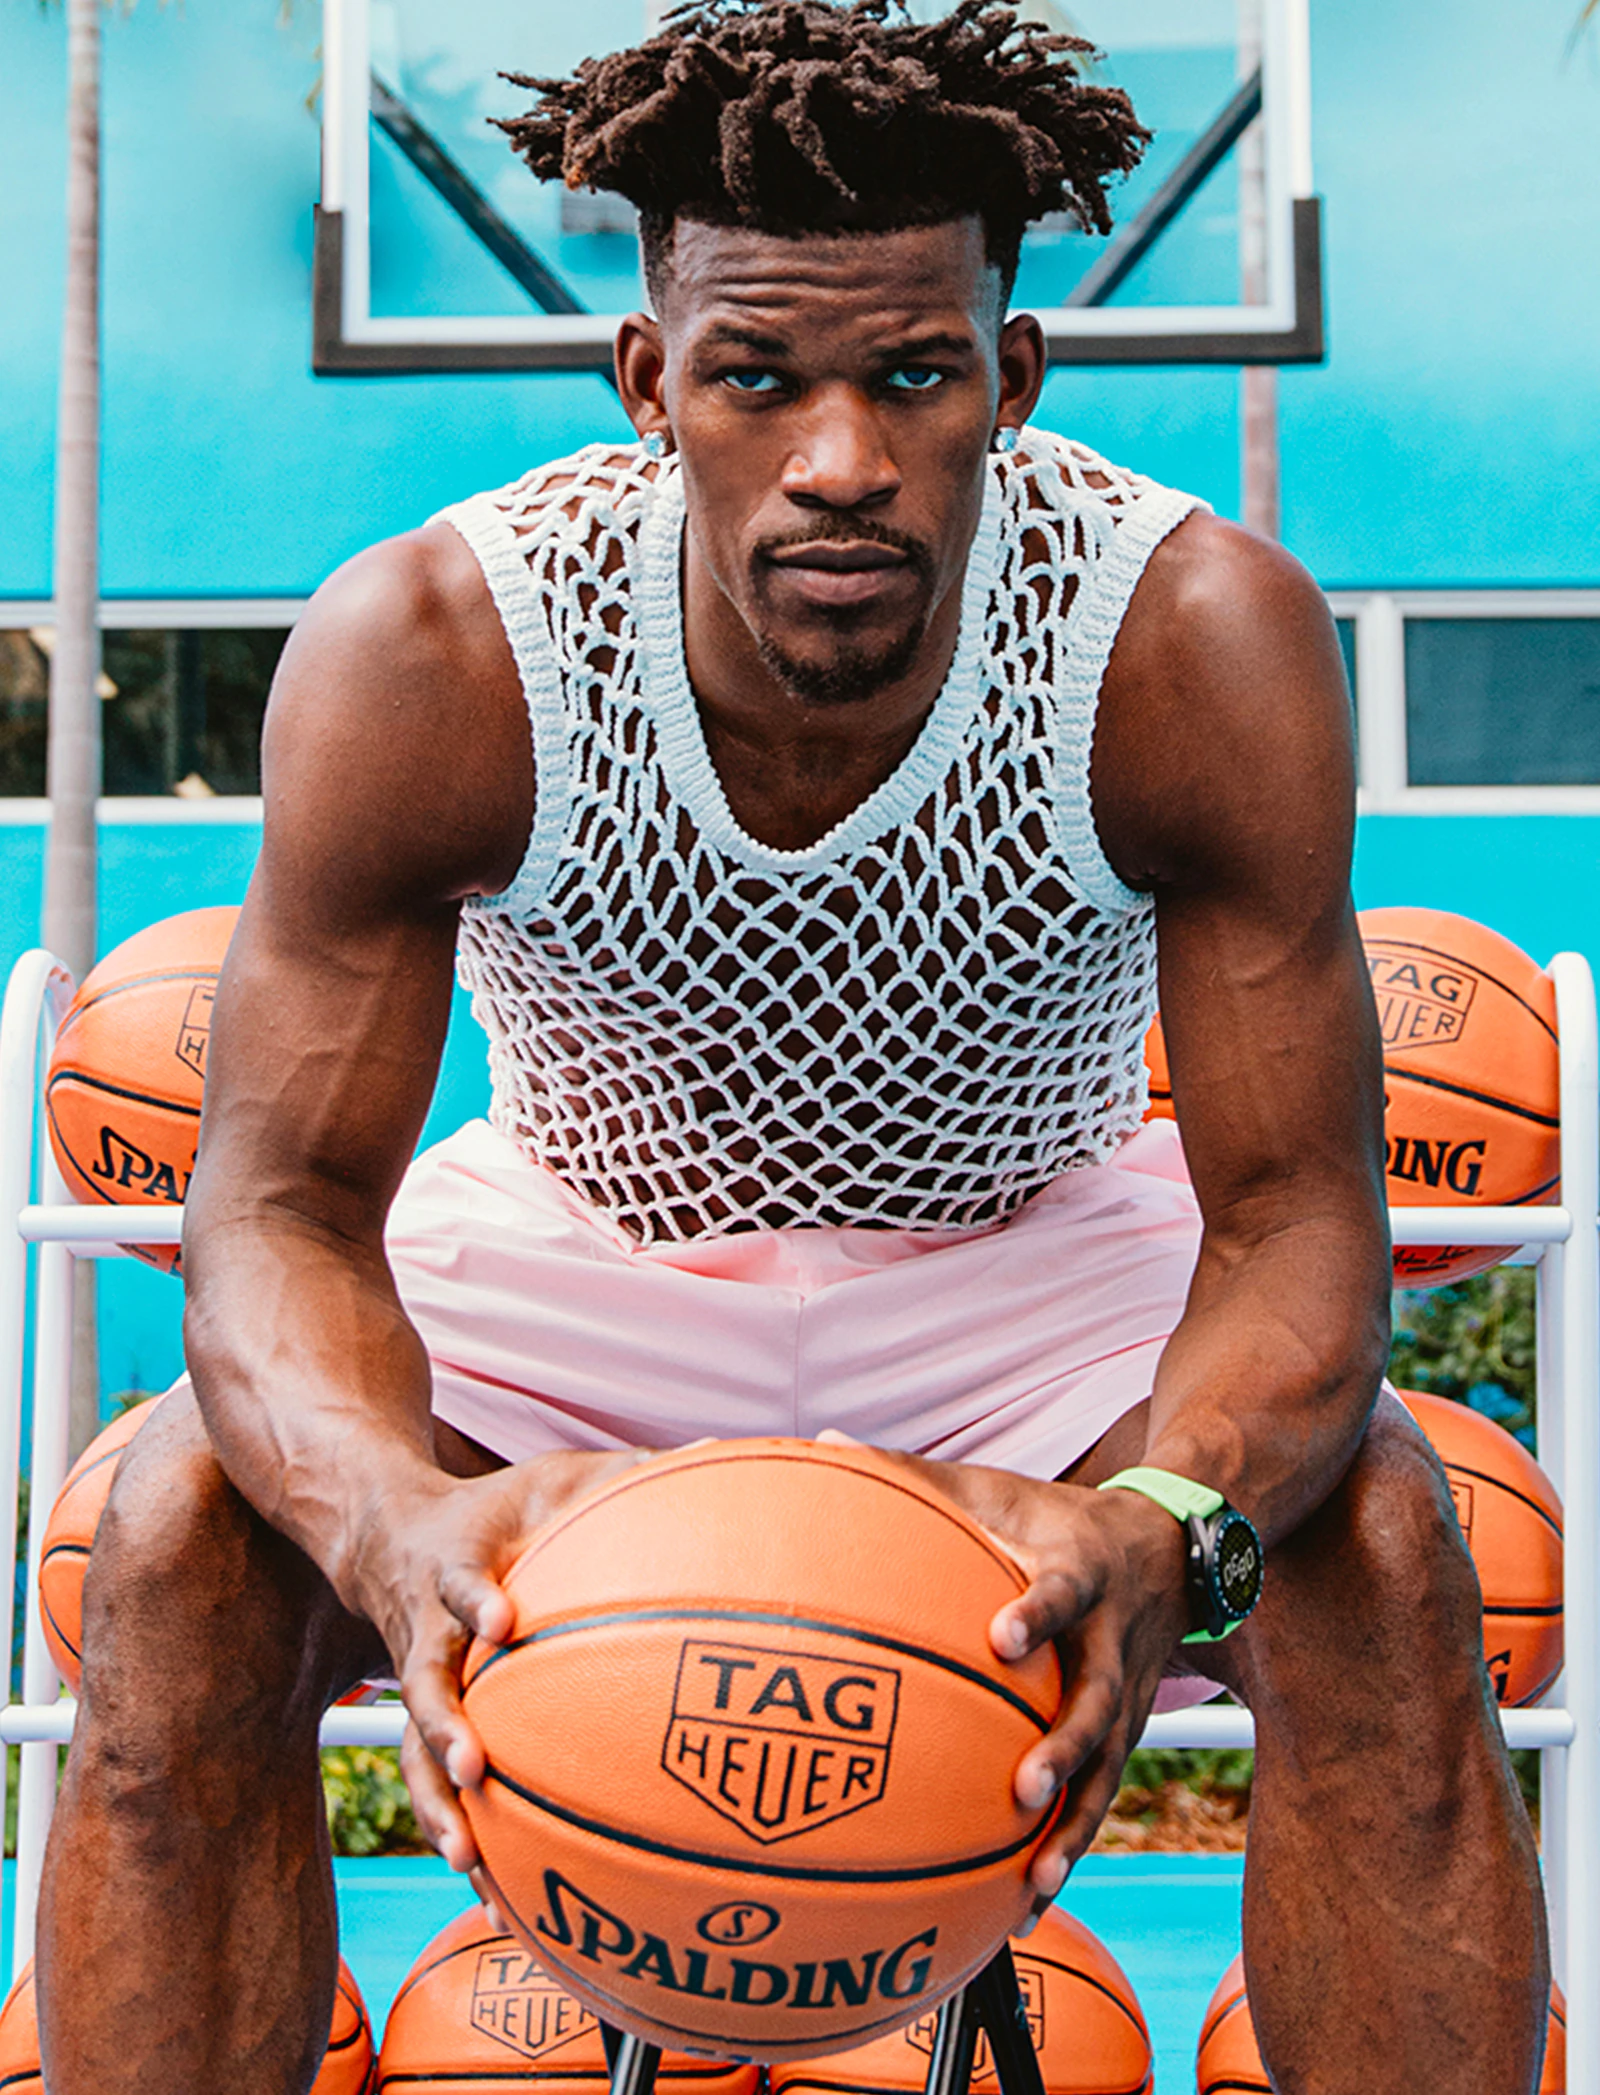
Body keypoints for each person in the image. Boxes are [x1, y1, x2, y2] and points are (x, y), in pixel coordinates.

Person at [38, 3, 1547, 2089]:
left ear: (1005, 375)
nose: (840, 458)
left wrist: (1162, 1518)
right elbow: (280, 1209)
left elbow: (1295, 1220)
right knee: (185, 1530)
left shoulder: (1184, 637)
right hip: (583, 1261)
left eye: (911, 376)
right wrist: (385, 1520)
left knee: (1370, 1537)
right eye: (759, 377)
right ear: (654, 381)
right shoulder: (440, 645)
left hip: (1028, 1270)